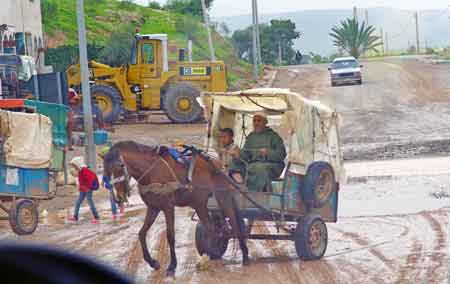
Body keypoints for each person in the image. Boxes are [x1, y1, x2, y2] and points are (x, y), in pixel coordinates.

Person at [229, 112, 287, 192]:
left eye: (259, 121)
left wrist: (268, 153)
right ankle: (241, 186)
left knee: (258, 168)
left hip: (272, 165)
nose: (256, 123)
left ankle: (255, 193)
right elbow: (246, 154)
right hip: (252, 164)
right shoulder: (251, 137)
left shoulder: (273, 136)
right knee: (234, 164)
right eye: (254, 121)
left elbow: (282, 155)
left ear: (265, 122)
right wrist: (238, 154)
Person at [68, 156, 100, 224]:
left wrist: (88, 188)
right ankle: (75, 217)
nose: (74, 167)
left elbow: (90, 180)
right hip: (83, 189)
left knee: (90, 202)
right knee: (78, 202)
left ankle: (96, 217)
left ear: (78, 164)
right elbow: (82, 181)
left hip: (88, 189)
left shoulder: (84, 170)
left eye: (74, 165)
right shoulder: (80, 171)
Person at [98, 146, 124, 220]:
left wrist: (104, 181)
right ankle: (119, 209)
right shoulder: (116, 160)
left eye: (102, 156)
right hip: (114, 181)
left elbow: (106, 172)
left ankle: (115, 212)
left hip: (113, 181)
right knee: (117, 195)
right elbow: (105, 172)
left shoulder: (110, 162)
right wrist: (103, 181)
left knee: (113, 196)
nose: (102, 157)